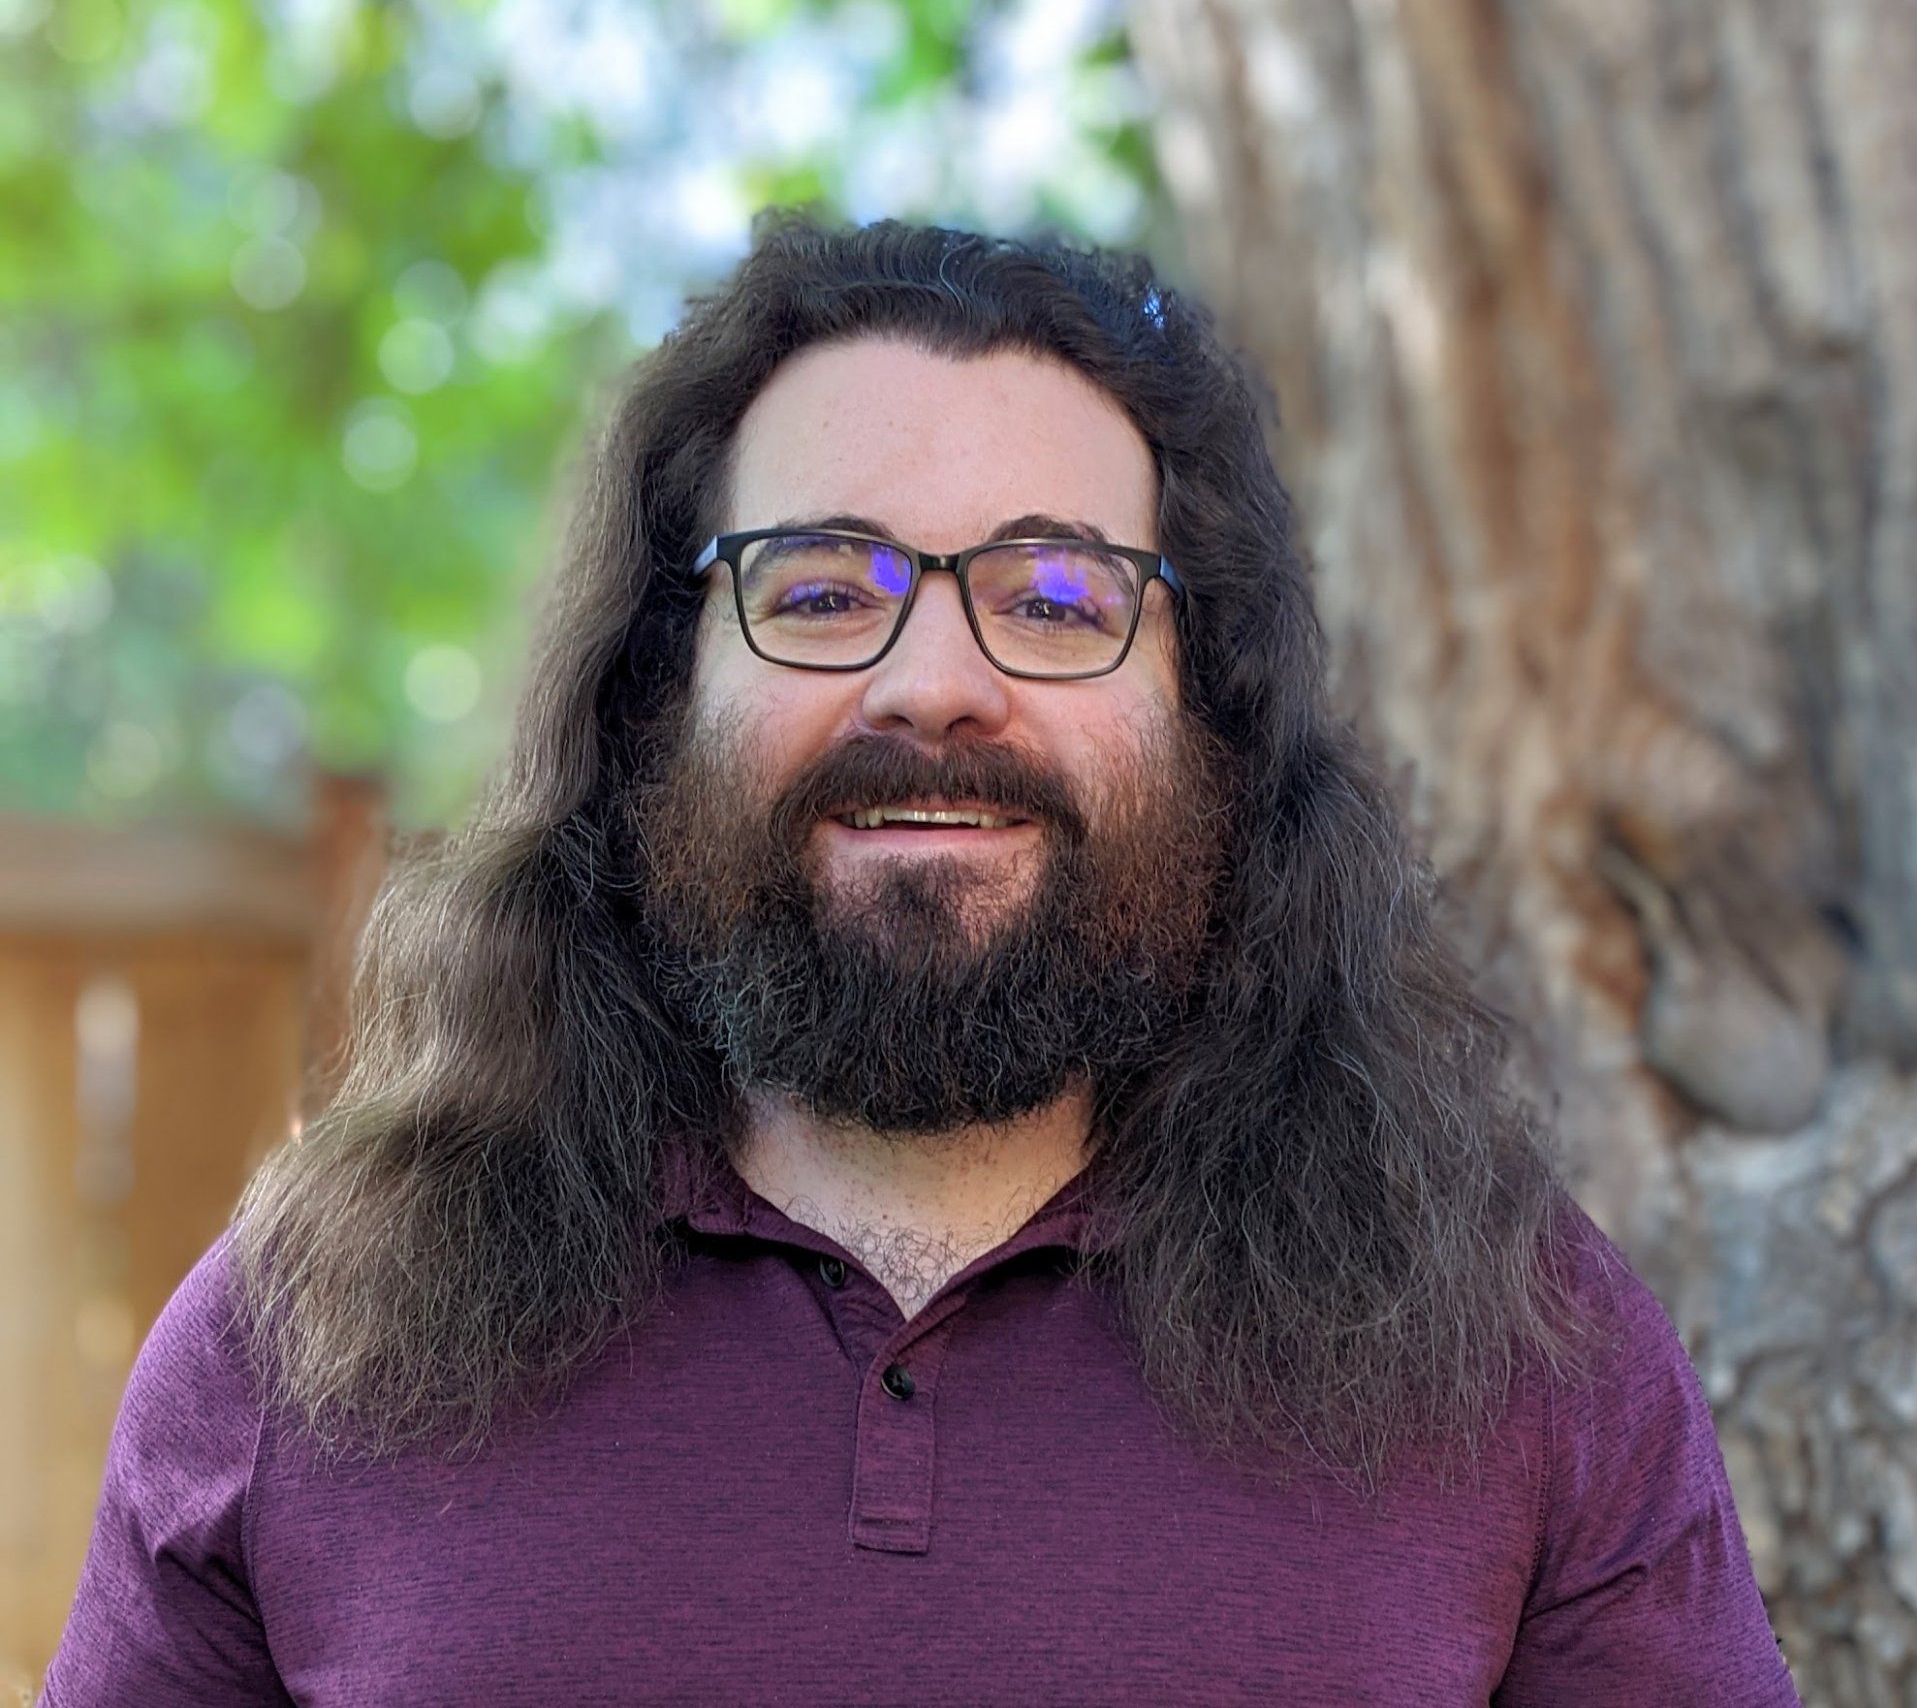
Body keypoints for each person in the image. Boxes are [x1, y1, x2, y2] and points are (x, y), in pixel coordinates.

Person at [42, 216, 1801, 1706]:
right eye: (820, 589)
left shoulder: (1517, 1336)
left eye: (1054, 598)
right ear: (660, 688)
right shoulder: (310, 1331)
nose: (933, 680)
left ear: (1212, 705)